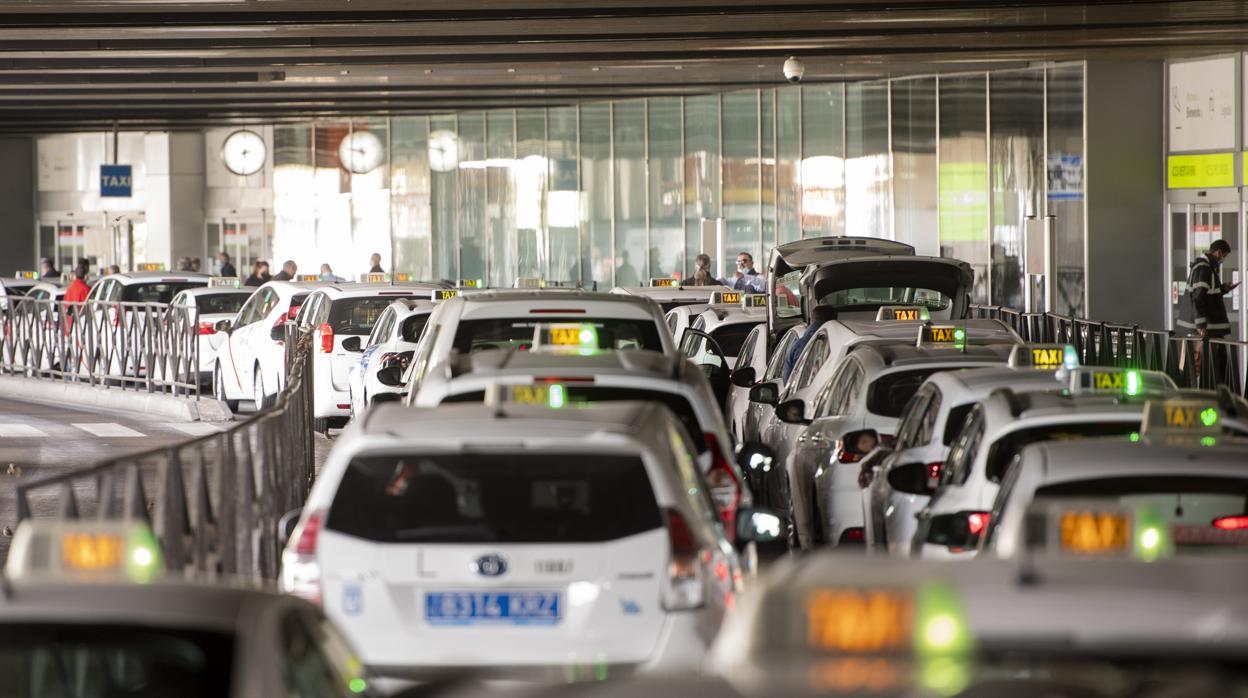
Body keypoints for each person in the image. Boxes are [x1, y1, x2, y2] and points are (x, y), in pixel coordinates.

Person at [1179, 240, 1238, 339]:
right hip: (1207, 329)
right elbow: (1198, 298)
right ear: (1219, 252)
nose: (1223, 259)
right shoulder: (1204, 268)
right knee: (1208, 354)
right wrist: (1201, 325)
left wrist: (1223, 289)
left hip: (1210, 328)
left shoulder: (1207, 268)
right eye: (1224, 256)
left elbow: (1208, 294)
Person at [782, 304, 838, 383]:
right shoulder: (840, 342)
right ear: (834, 320)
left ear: (812, 320)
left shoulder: (798, 344)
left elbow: (788, 380)